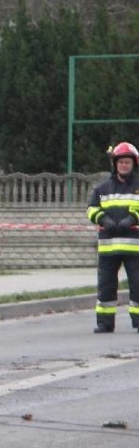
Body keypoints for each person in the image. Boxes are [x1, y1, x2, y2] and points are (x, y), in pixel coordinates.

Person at [86, 141, 139, 333]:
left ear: (133, 164)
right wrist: (103, 218)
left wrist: (132, 218)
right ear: (115, 164)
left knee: (138, 285)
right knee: (106, 286)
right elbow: (91, 209)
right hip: (108, 247)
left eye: (127, 162)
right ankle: (105, 323)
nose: (124, 165)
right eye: (121, 162)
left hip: (135, 248)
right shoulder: (102, 188)